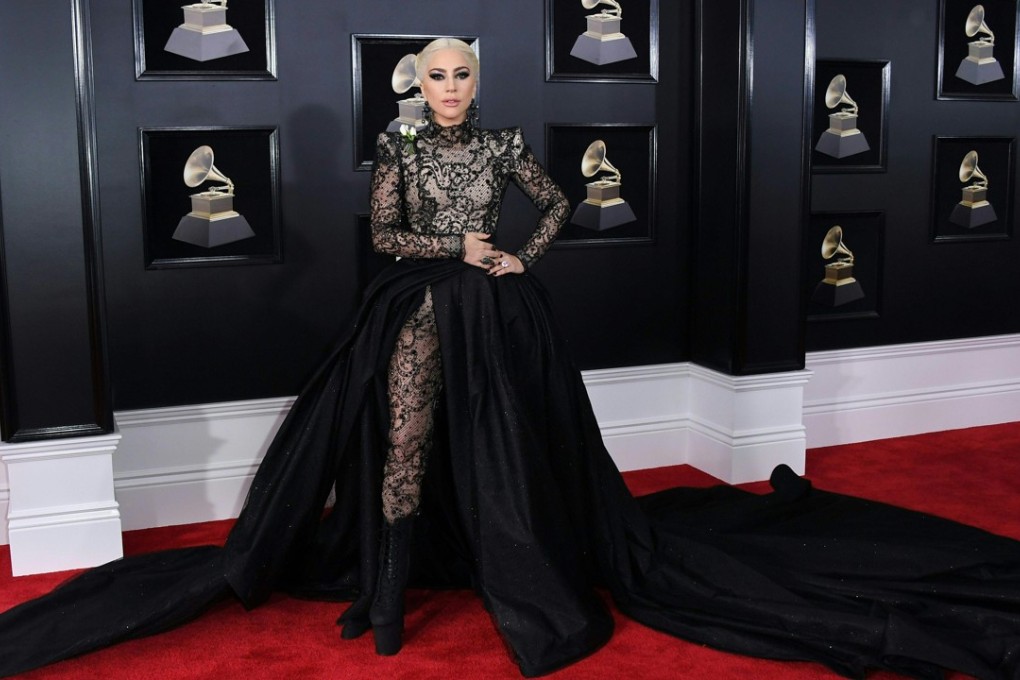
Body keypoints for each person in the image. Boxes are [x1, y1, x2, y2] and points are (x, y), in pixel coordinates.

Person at [1, 37, 1020, 680]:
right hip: (415, 301)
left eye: (463, 77)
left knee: (508, 438)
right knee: (404, 432)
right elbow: (387, 238)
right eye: (437, 75)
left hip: (501, 312)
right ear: (420, 84)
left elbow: (562, 200)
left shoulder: (500, 147)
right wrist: (463, 248)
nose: (450, 89)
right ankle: (392, 584)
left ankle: (514, 556)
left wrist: (514, 259)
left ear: (477, 85)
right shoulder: (399, 153)